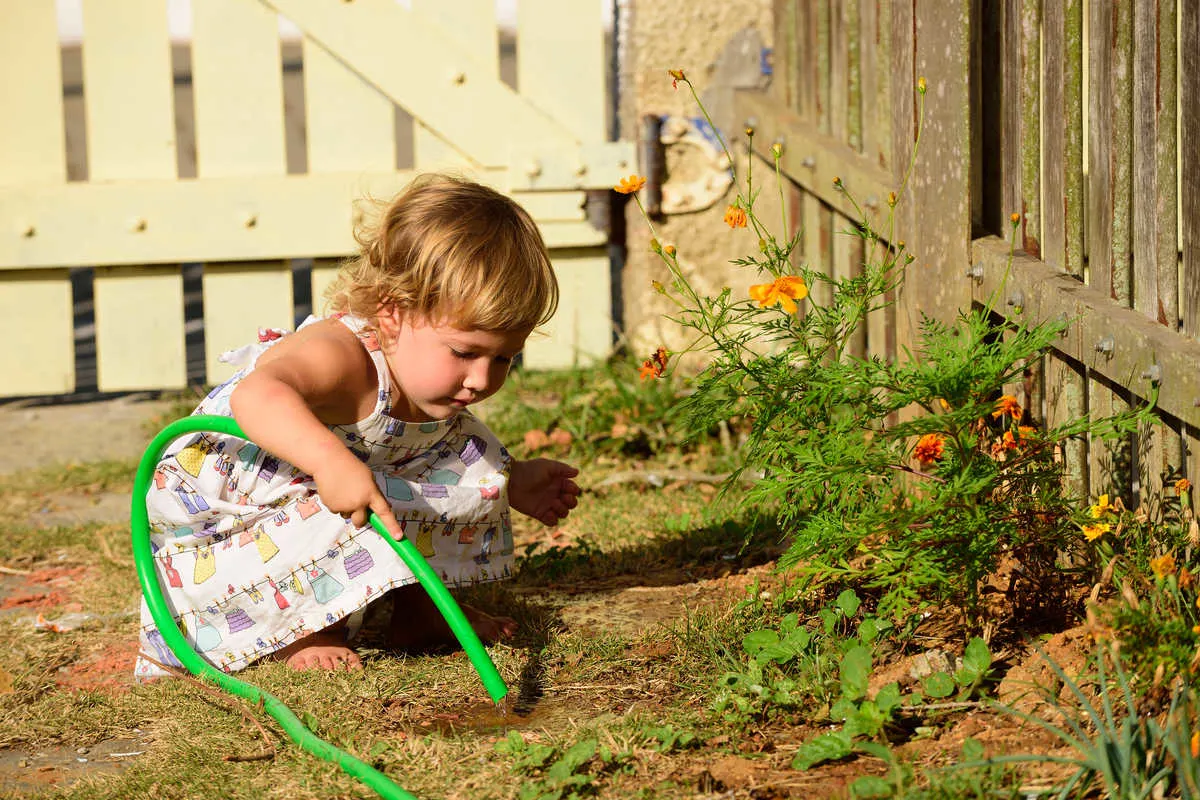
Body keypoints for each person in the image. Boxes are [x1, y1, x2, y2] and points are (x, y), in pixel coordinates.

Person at [135, 175, 580, 678]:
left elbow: (448, 457)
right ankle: (304, 630)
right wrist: (329, 461)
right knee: (347, 491)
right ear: (392, 312)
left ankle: (420, 612)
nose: (481, 378)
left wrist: (511, 481)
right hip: (227, 511)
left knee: (451, 458)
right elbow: (255, 395)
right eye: (465, 352)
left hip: (313, 482)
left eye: (504, 358)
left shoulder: (430, 384)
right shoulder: (339, 354)